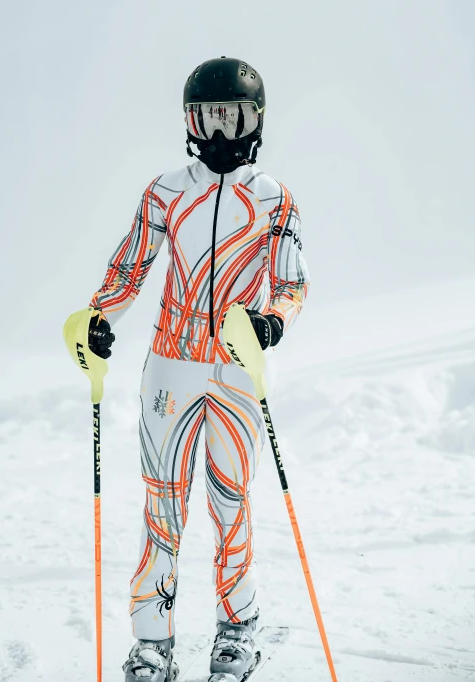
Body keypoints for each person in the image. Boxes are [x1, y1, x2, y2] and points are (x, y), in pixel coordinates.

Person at [87, 56, 310, 682]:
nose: (218, 133)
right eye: (207, 117)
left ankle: (237, 631)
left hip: (236, 370)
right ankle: (151, 643)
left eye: (231, 117)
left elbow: (292, 283)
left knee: (231, 503)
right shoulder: (165, 191)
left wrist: (272, 324)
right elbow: (130, 264)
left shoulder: (273, 198)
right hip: (171, 365)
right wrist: (102, 318)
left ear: (254, 122)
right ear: (189, 120)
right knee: (163, 505)